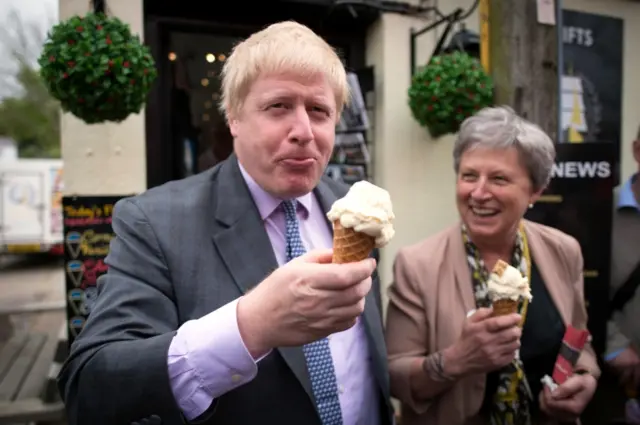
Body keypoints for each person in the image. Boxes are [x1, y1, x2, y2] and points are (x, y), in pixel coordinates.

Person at [57, 21, 394, 425]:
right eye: (278, 106)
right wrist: (250, 325)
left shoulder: (350, 208)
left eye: (319, 111)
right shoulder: (154, 221)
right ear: (233, 117)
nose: (304, 131)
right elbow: (91, 386)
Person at [385, 106, 600, 425]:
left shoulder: (563, 251)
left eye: (499, 178)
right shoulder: (417, 264)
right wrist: (456, 360)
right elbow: (395, 376)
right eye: (469, 175)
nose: (479, 193)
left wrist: (585, 378)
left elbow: (578, 339)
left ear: (535, 191)